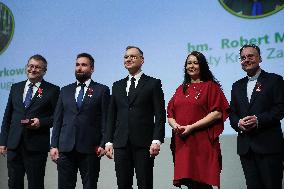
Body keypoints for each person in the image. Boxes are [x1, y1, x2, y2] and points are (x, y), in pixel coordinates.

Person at [105, 46, 166, 189]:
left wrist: (157, 139)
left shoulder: (153, 83)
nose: (129, 59)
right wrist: (108, 141)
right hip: (121, 143)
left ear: (142, 60)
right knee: (123, 185)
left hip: (144, 143)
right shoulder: (117, 85)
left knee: (144, 184)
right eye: (126, 57)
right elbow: (111, 115)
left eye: (133, 56)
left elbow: (160, 114)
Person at [167, 51, 229, 189]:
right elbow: (170, 114)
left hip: (202, 143)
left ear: (202, 66)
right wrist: (176, 125)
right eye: (189, 63)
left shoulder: (211, 87)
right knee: (190, 183)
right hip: (183, 142)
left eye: (195, 63)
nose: (192, 66)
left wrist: (191, 127)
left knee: (203, 183)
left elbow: (217, 113)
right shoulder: (180, 89)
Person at [50, 53, 110, 189]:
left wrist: (103, 142)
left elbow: (105, 120)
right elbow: (58, 120)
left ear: (92, 69)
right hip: (65, 148)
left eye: (84, 65)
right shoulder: (64, 90)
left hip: (90, 148)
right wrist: (54, 145)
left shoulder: (102, 90)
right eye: (77, 65)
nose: (79, 68)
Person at [0, 54, 60, 189]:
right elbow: (7, 117)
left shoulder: (52, 90)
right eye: (30, 66)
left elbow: (57, 118)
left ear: (44, 71)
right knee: (14, 183)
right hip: (14, 145)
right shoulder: (15, 87)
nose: (32, 69)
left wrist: (41, 122)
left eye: (37, 67)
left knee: (35, 184)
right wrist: (3, 141)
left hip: (36, 146)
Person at [229, 44, 284, 189]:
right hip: (246, 148)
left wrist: (259, 120)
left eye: (250, 56)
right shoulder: (236, 86)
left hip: (269, 147)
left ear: (260, 58)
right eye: (243, 58)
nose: (246, 60)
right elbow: (232, 113)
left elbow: (280, 108)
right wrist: (239, 123)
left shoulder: (275, 80)